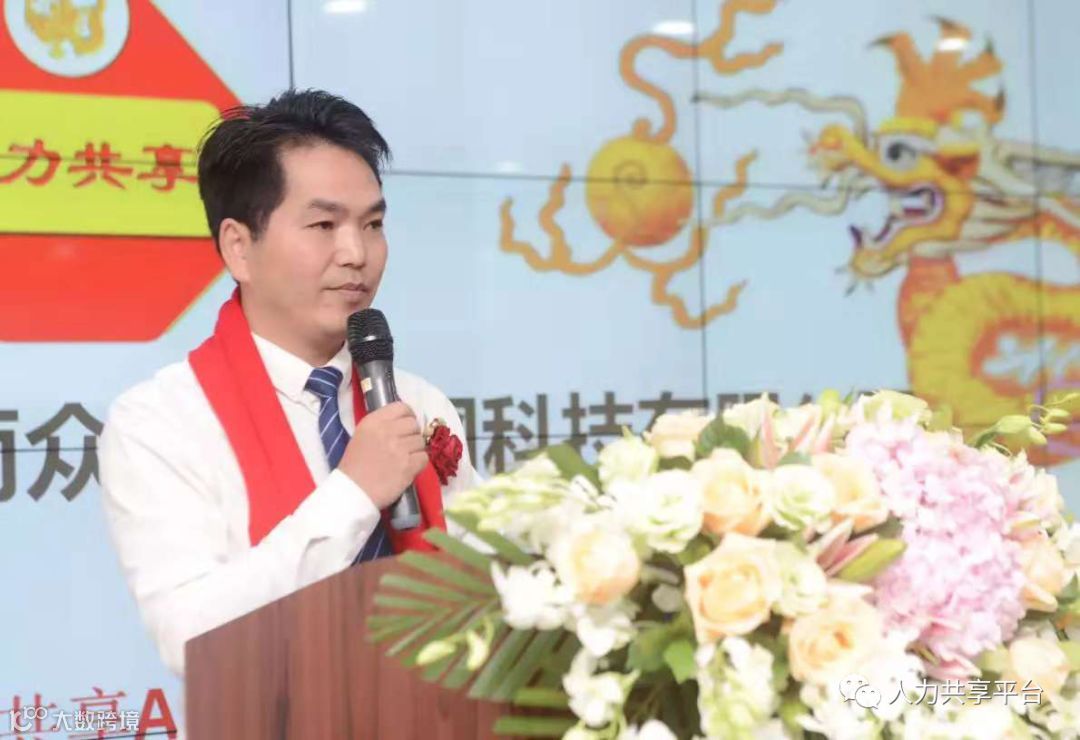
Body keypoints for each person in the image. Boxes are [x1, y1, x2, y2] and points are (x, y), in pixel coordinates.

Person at [98, 89, 478, 676]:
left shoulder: (416, 402)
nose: (356, 253)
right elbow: (192, 640)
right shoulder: (160, 421)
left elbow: (481, 583)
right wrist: (354, 492)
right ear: (239, 247)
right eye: (324, 224)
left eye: (373, 224)